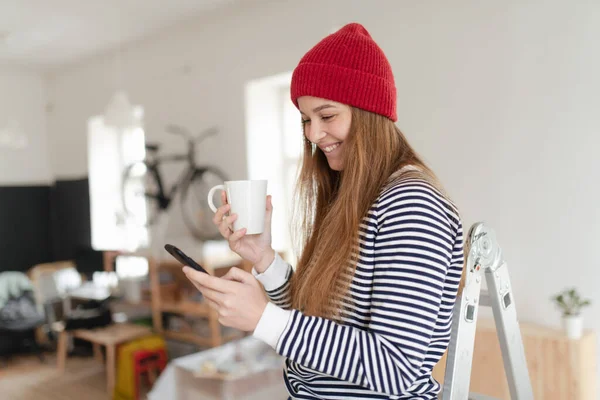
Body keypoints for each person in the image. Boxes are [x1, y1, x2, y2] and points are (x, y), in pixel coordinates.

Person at [184, 22, 464, 400]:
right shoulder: (354, 193)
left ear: (369, 112)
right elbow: (323, 318)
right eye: (305, 120)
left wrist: (266, 319)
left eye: (327, 116)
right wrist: (264, 259)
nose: (313, 135)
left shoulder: (410, 203)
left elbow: (396, 367)